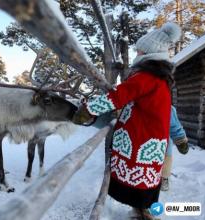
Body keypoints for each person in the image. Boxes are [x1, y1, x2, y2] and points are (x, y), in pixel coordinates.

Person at [73, 22, 182, 220]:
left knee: (140, 182)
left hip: (142, 137)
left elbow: (118, 96)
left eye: (140, 51)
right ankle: (143, 210)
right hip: (149, 139)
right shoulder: (157, 78)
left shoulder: (147, 77)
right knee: (146, 181)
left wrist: (88, 110)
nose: (136, 54)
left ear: (149, 55)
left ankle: (144, 214)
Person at [161, 105, 189, 191]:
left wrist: (180, 139)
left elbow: (173, 125)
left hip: (163, 142)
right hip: (140, 142)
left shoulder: (165, 105)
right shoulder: (134, 104)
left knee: (166, 158)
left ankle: (164, 178)